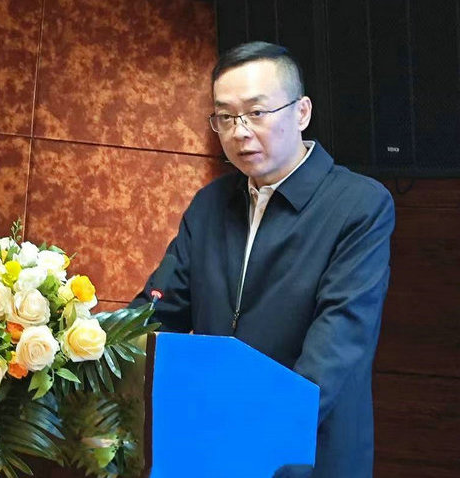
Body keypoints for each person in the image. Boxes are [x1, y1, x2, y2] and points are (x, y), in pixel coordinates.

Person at [130, 41, 395, 478]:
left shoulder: (359, 204)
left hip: (306, 451)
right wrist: (78, 342)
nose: (239, 131)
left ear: (301, 112)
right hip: (210, 442)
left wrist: (249, 434)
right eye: (225, 117)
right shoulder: (210, 203)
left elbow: (337, 344)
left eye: (256, 112)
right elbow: (160, 312)